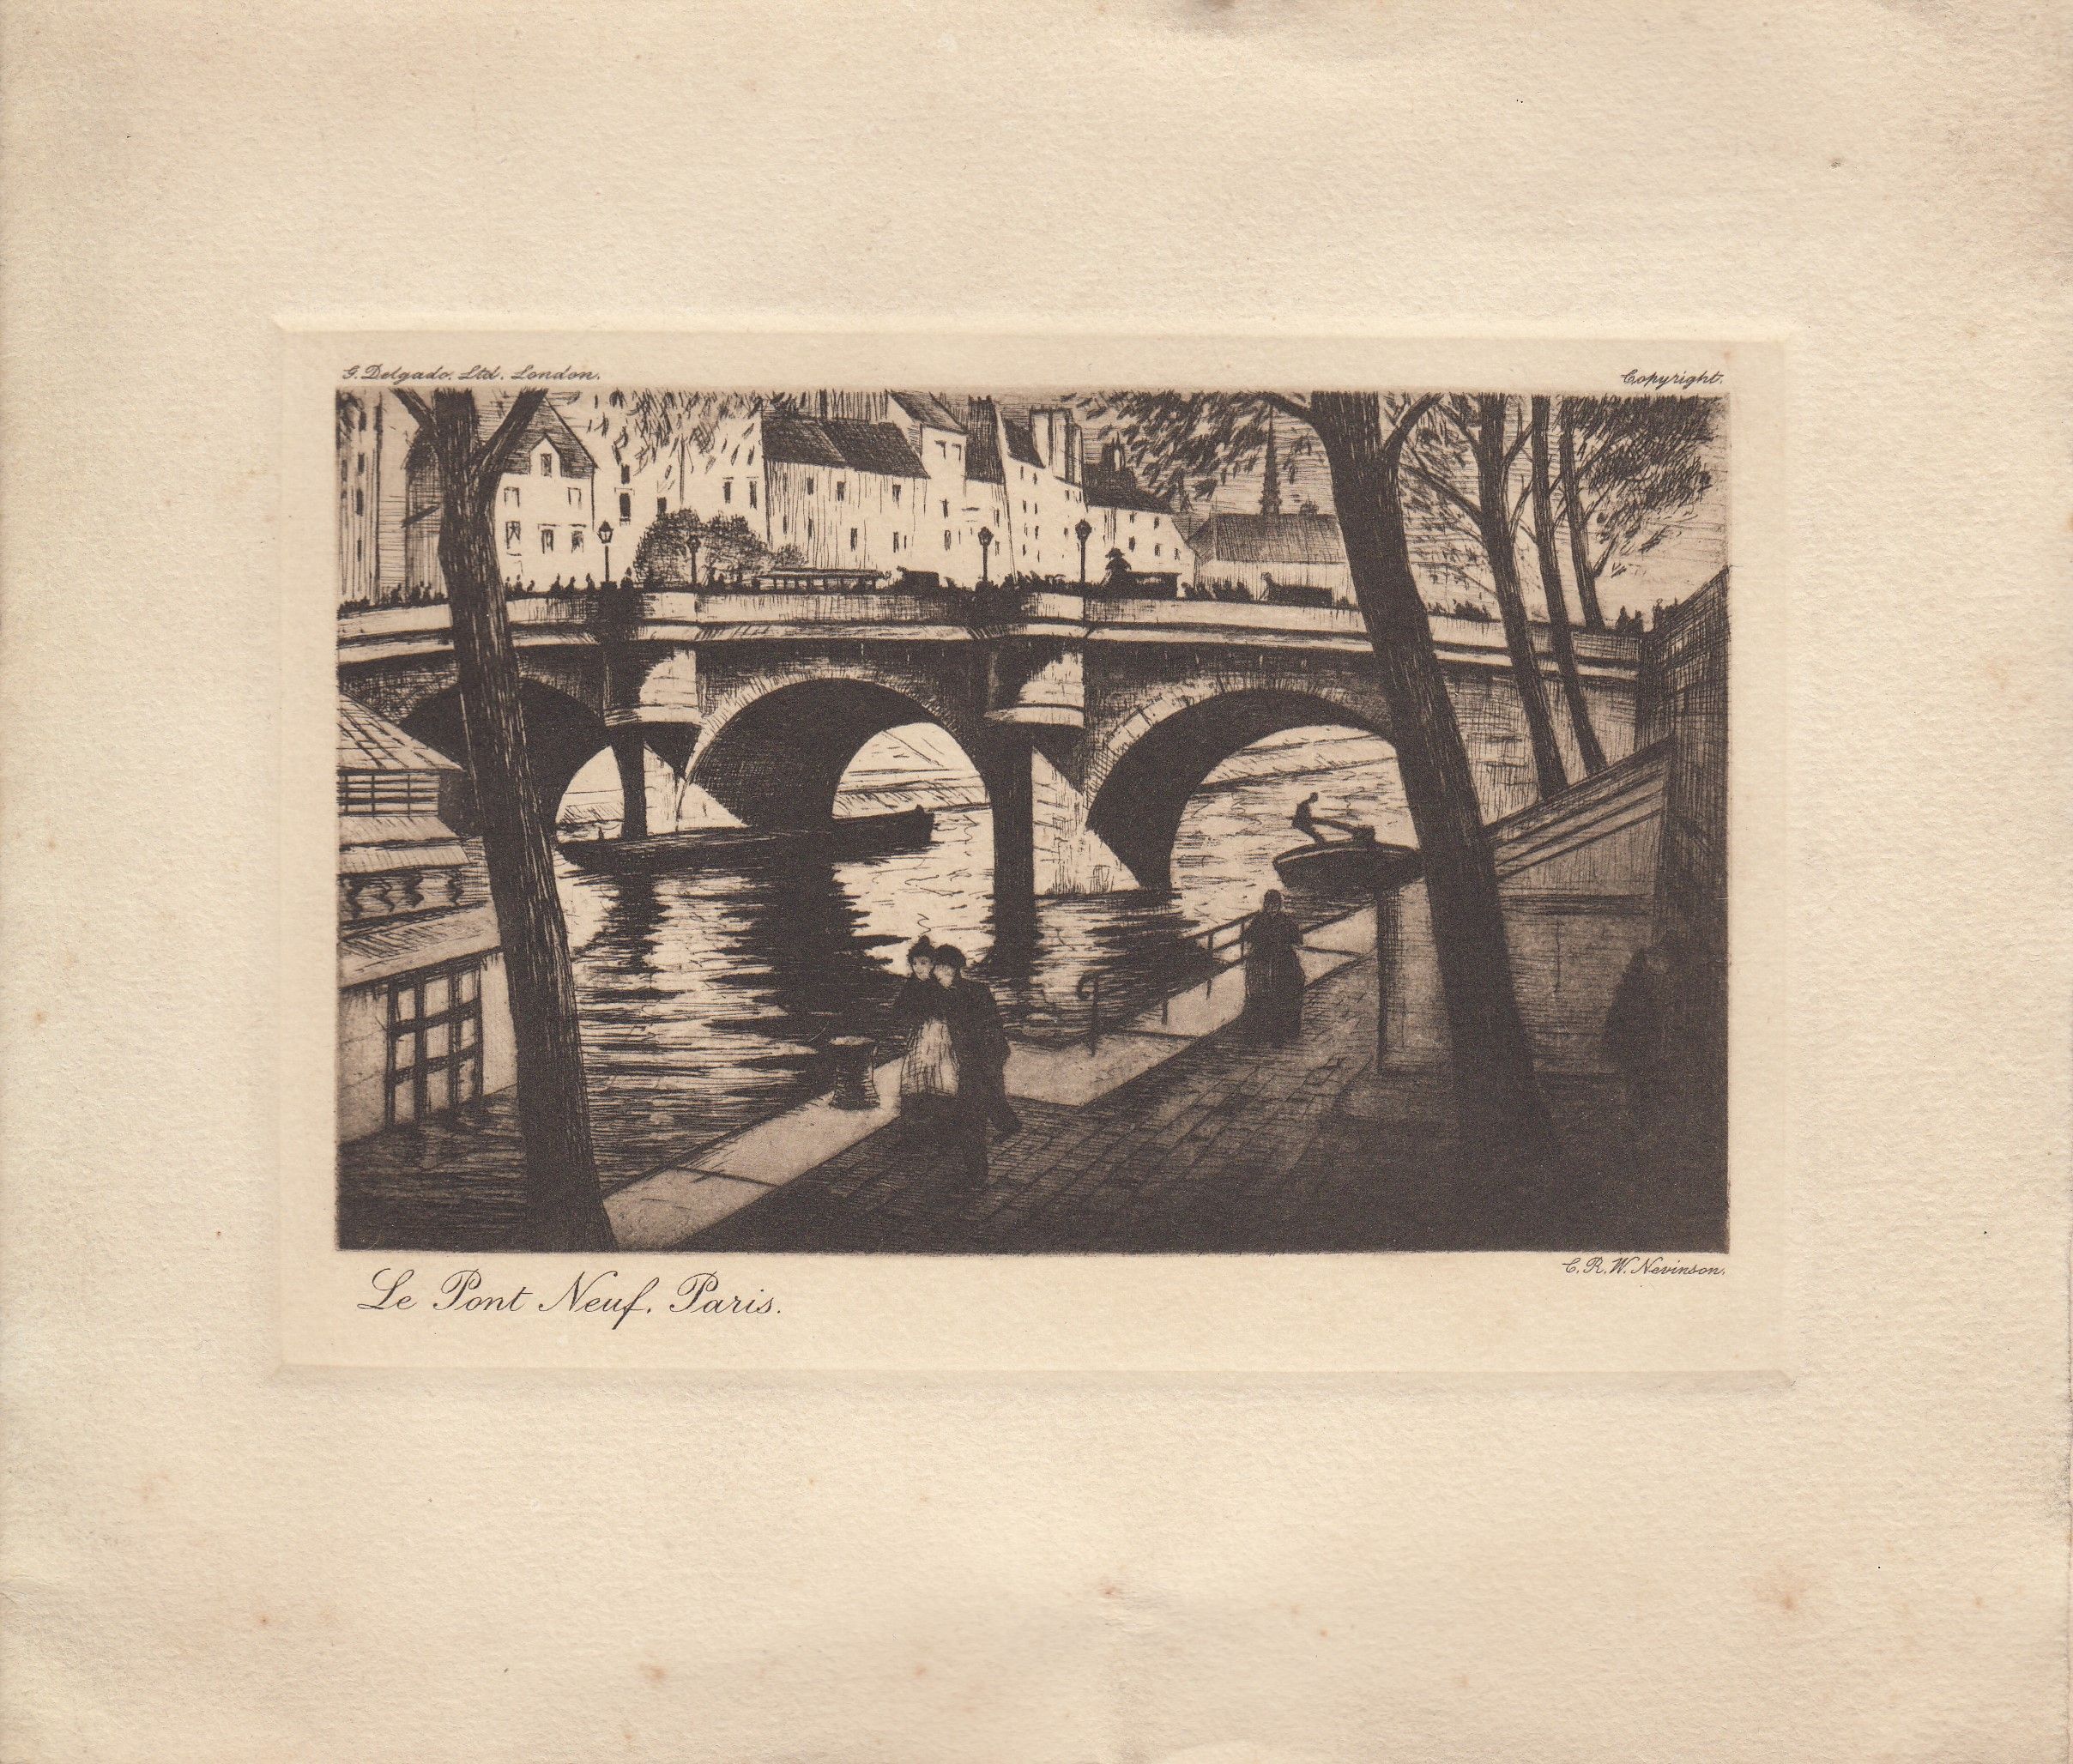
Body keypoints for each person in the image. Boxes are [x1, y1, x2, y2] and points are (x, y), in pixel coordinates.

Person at [931, 944, 1018, 1184]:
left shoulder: (975, 993)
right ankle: (1008, 1124)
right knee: (989, 1098)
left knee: (971, 1116)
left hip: (982, 1059)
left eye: (938, 968)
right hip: (971, 1060)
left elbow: (989, 1029)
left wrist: (982, 1060)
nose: (935, 973)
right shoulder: (941, 994)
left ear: (950, 969)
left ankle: (977, 1175)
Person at [894, 938, 958, 1137]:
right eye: (915, 963)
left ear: (933, 964)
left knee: (940, 1079)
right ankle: (912, 1131)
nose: (919, 968)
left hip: (939, 1038)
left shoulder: (939, 987)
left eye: (924, 963)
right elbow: (899, 1011)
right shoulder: (910, 986)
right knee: (913, 1079)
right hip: (919, 1039)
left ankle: (943, 1131)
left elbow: (944, 1010)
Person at [1243, 889, 1306, 1045]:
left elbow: (1298, 938)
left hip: (1283, 960)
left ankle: (1287, 1029)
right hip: (1263, 960)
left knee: (1289, 989)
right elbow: (1247, 936)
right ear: (1265, 905)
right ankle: (1265, 1031)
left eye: (1275, 905)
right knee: (1263, 994)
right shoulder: (1259, 920)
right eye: (1269, 905)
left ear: (1279, 906)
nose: (1272, 908)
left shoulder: (1285, 920)